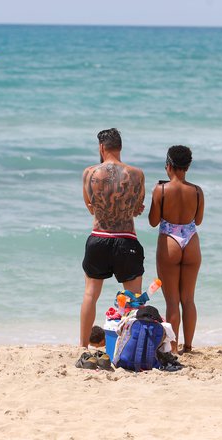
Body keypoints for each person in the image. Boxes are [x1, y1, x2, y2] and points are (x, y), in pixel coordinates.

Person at [80, 128, 145, 347]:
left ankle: (82, 346)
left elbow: (91, 208)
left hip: (99, 237)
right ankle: (132, 345)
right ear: (120, 147)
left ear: (101, 147)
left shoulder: (89, 173)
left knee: (91, 294)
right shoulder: (136, 174)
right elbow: (137, 209)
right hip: (126, 239)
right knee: (133, 298)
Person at [148, 145, 204, 353]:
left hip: (169, 240)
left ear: (169, 166)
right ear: (187, 166)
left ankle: (172, 348)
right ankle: (188, 346)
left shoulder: (161, 190)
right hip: (191, 240)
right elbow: (198, 220)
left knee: (172, 301)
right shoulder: (197, 191)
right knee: (188, 299)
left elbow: (154, 222)